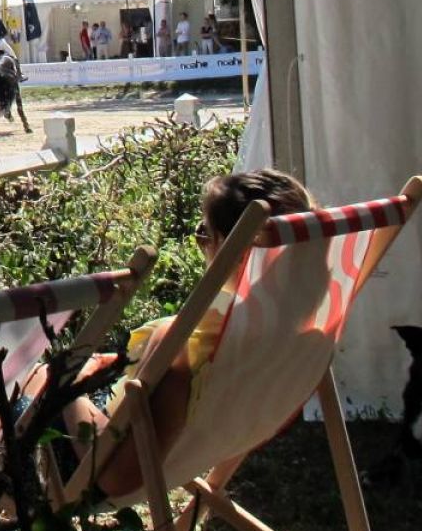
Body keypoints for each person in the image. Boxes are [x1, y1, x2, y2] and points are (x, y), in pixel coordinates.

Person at [59, 169, 315, 497]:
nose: (201, 244)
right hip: (170, 451)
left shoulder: (183, 345)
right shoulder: (302, 338)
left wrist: (69, 387)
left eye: (203, 233)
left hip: (69, 464)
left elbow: (119, 478)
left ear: (231, 248)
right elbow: (259, 425)